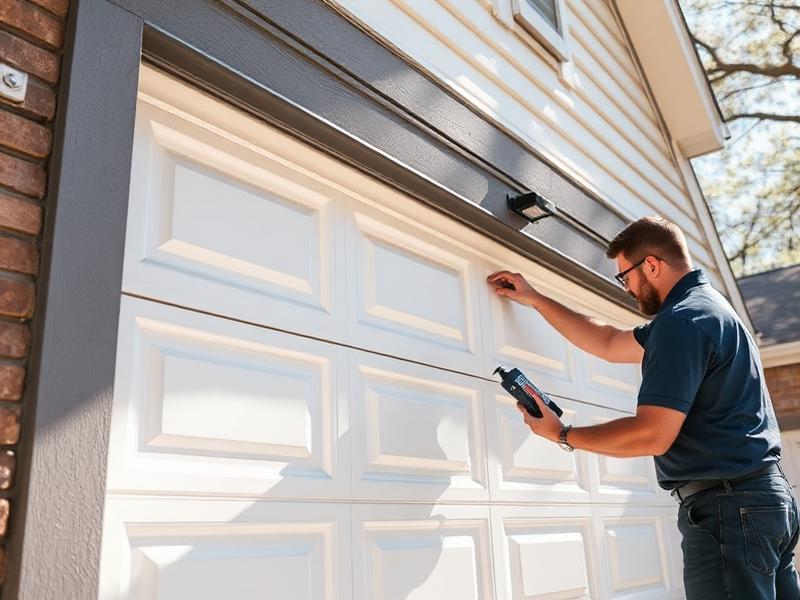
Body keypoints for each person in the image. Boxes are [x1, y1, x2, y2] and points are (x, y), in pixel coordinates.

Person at [486, 216, 800, 599]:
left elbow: (652, 433)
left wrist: (562, 434)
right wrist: (535, 298)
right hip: (767, 502)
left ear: (651, 264)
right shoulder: (709, 310)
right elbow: (607, 341)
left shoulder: (682, 322)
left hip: (729, 510)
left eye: (626, 277)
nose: (628, 289)